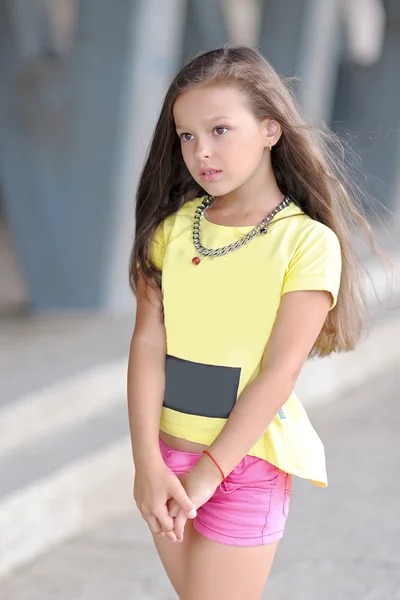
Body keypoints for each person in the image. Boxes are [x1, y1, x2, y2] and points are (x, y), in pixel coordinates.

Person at [127, 46, 379, 600]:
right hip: (168, 458)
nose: (201, 151)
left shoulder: (306, 243)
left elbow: (277, 374)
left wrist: (207, 475)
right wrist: (148, 463)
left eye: (220, 129)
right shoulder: (170, 231)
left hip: (244, 463)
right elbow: (148, 344)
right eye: (186, 135)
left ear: (270, 130)